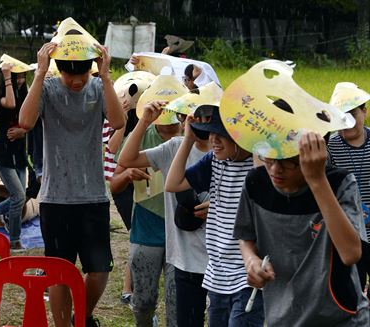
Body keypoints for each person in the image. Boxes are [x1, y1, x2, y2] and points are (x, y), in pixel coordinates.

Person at [19, 32, 125, 327]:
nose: (76, 81)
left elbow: (118, 122)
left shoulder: (98, 87)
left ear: (92, 66)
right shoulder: (49, 88)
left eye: (83, 72)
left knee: (99, 269)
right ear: (58, 68)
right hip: (55, 198)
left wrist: (105, 78)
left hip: (93, 196)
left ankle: (84, 316)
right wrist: (40, 74)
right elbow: (25, 122)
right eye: (69, 73)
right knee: (59, 271)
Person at [234, 132, 370, 326]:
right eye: (270, 157)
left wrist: (317, 179)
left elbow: (351, 254)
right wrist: (251, 260)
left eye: (289, 161)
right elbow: (245, 236)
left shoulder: (339, 184)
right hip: (282, 316)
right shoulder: (257, 183)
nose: (276, 169)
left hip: (342, 317)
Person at [164, 106, 263, 326]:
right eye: (210, 133)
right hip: (217, 274)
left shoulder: (259, 165)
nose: (213, 140)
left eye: (221, 135)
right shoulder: (215, 161)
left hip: (246, 275)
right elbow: (173, 184)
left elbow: (263, 194)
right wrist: (188, 139)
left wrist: (256, 148)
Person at [119, 103, 211, 327]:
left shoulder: (226, 151)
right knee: (145, 303)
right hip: (177, 248)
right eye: (194, 117)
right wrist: (144, 121)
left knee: (182, 314)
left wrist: (216, 206)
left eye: (208, 118)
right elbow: (126, 159)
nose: (200, 123)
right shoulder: (175, 147)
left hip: (210, 253)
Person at [109, 101, 182, 327]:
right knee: (143, 302)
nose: (168, 138)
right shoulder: (141, 135)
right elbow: (115, 184)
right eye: (163, 132)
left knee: (176, 303)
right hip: (146, 226)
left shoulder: (187, 140)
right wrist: (128, 174)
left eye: (174, 131)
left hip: (180, 232)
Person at [327, 83, 370, 298]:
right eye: (340, 116)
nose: (347, 121)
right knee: (353, 288)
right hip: (349, 234)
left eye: (352, 113)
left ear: (364, 111)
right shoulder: (330, 147)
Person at [0, 59, 30, 251]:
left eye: (23, 76)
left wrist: (23, 131)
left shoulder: (25, 94)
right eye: (17, 77)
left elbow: (34, 117)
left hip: (19, 152)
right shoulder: (1, 97)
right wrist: (7, 77)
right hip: (3, 153)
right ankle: (14, 240)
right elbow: (11, 104)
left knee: (19, 197)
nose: (21, 80)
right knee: (18, 195)